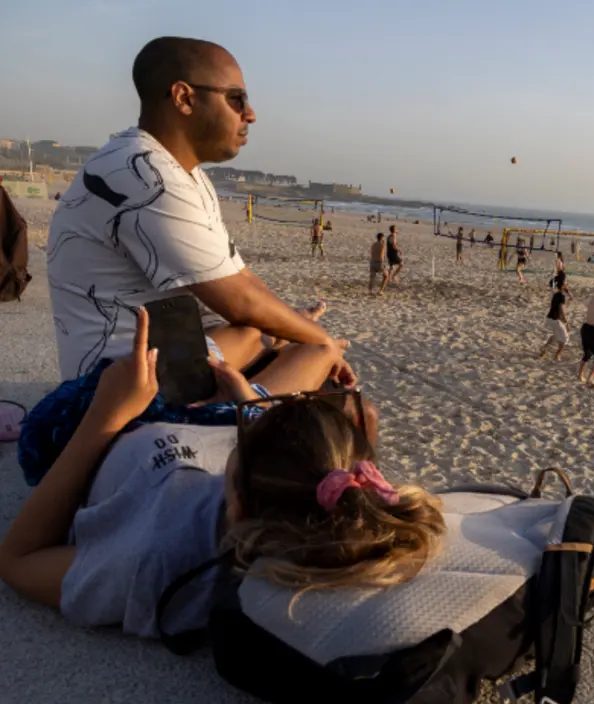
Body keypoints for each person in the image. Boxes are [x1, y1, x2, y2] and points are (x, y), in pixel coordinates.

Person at [24, 36, 354, 486]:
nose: (250, 114)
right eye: (237, 99)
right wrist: (322, 342)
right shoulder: (144, 176)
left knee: (267, 338)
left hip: (170, 357)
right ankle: (257, 414)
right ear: (183, 97)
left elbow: (242, 284)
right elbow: (240, 299)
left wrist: (290, 326)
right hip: (124, 389)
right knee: (338, 390)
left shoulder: (181, 174)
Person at [0, 310, 435, 640]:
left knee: (228, 341)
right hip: (206, 421)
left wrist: (105, 414)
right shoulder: (302, 506)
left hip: (92, 435)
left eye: (245, 440)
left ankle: (263, 346)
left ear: (239, 502)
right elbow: (309, 470)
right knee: (306, 364)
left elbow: (17, 562)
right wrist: (248, 406)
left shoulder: (149, 561)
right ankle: (266, 353)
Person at [539, 280, 570, 360]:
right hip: (555, 320)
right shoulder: (562, 296)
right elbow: (561, 311)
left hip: (550, 318)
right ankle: (557, 355)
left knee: (556, 335)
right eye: (565, 284)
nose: (567, 285)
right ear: (562, 286)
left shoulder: (556, 294)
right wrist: (567, 324)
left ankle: (544, 349)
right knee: (565, 338)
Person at [382, 224, 403, 290]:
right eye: (396, 229)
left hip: (389, 253)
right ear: (394, 230)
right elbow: (394, 245)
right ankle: (394, 276)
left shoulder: (389, 236)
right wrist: (399, 250)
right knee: (401, 264)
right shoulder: (394, 236)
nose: (397, 229)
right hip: (393, 253)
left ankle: (387, 280)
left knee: (391, 267)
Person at [367, 232, 386, 297]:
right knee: (386, 275)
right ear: (382, 238)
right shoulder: (382, 245)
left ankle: (370, 291)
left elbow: (372, 253)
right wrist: (383, 263)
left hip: (372, 262)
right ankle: (381, 290)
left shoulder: (373, 244)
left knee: (372, 277)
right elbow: (382, 255)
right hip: (379, 262)